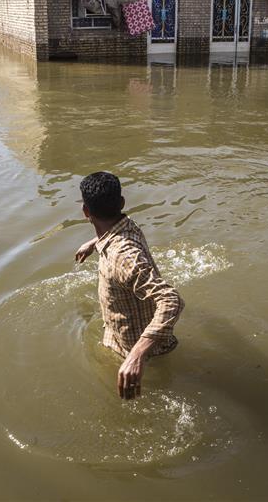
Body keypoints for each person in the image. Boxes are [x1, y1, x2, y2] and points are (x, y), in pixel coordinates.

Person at [74, 171, 184, 399]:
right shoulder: (126, 226)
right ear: (122, 203)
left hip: (146, 360)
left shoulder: (121, 257)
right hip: (125, 344)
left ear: (86, 212)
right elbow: (114, 230)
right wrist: (95, 242)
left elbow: (171, 299)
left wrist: (136, 356)